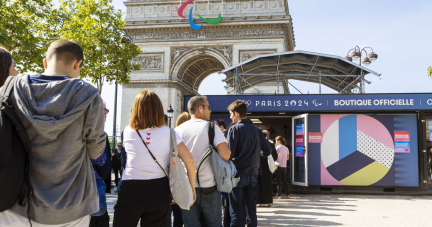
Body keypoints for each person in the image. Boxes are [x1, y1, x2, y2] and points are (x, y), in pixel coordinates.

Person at [0, 39, 106, 226]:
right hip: (73, 206)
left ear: (45, 62)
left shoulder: (12, 88)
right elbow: (96, 151)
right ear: (77, 64)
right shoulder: (89, 96)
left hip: (19, 202)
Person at [113, 90, 196, 227]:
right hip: (159, 189)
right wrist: (192, 188)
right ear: (159, 109)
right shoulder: (169, 133)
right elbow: (189, 160)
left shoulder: (128, 131)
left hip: (131, 187)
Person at [175, 96, 231, 227]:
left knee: (190, 224)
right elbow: (225, 155)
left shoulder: (177, 130)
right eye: (209, 107)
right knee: (214, 223)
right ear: (200, 109)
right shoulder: (211, 127)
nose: (210, 111)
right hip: (208, 186)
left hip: (186, 186)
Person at [226, 100, 271, 227]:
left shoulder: (234, 129)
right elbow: (267, 150)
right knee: (252, 212)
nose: (230, 117)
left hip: (238, 174)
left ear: (236, 113)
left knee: (236, 211)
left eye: (230, 114)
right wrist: (256, 157)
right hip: (253, 174)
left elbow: (229, 154)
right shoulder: (257, 130)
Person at [257, 130, 278, 207]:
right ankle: (267, 201)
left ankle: (257, 202)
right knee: (267, 183)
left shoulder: (256, 144)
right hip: (267, 166)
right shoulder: (271, 145)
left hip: (257, 166)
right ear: (268, 136)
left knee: (257, 183)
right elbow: (275, 156)